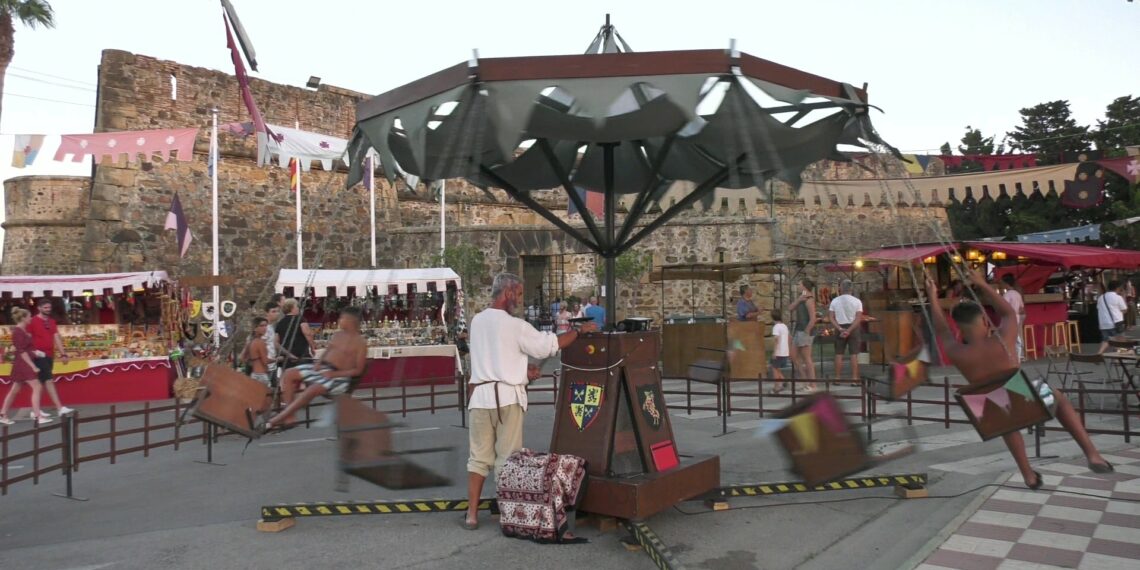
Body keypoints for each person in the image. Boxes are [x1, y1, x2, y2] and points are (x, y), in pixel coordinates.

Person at [925, 269, 1112, 489]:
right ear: (985, 321)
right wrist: (983, 284)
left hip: (994, 412)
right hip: (1025, 399)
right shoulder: (1002, 339)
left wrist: (932, 296)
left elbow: (941, 330)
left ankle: (1028, 475)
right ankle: (1092, 454)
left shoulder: (957, 351)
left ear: (959, 329)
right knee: (1058, 397)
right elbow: (1008, 314)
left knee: (1008, 421)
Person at [463, 273, 596, 531]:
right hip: (507, 399)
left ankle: (471, 515)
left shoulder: (477, 321)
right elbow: (549, 346)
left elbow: (495, 359)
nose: (520, 300)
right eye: (520, 294)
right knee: (507, 459)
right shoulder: (515, 325)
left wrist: (524, 372)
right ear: (509, 292)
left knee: (478, 458)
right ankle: (508, 514)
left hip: (480, 397)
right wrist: (578, 331)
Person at [263, 307, 368, 430]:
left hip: (339, 378)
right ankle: (290, 417)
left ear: (352, 320)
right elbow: (328, 351)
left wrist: (333, 374)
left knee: (312, 389)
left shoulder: (360, 342)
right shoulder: (338, 335)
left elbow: (358, 370)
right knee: (289, 373)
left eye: (343, 318)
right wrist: (319, 363)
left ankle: (274, 421)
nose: (340, 320)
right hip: (324, 369)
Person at [0, 308, 51, 425]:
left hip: (22, 362)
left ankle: (3, 413)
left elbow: (27, 349)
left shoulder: (22, 330)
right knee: (37, 386)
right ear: (23, 318)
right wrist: (33, 366)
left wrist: (36, 352)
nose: (31, 318)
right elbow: (21, 351)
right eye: (29, 316)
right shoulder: (18, 331)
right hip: (23, 363)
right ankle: (37, 415)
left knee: (15, 390)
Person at [29, 298, 73, 418]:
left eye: (49, 308)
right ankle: (59, 408)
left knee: (41, 382)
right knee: (48, 380)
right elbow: (27, 338)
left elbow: (56, 337)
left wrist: (63, 354)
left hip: (49, 355)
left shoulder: (52, 322)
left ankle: (35, 410)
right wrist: (32, 351)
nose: (48, 310)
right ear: (39, 308)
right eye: (45, 308)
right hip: (38, 355)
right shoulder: (32, 321)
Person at [828, 279, 864, 384]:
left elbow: (831, 317)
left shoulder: (835, 301)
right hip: (853, 327)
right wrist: (849, 330)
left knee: (839, 353)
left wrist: (839, 329)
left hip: (840, 326)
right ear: (851, 289)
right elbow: (858, 318)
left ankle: (837, 378)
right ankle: (854, 379)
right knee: (854, 354)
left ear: (841, 288)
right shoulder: (857, 301)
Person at [787, 279, 818, 393]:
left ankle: (813, 384)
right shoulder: (801, 298)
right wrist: (799, 299)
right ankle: (805, 381)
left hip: (805, 331)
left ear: (804, 286)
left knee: (807, 358)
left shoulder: (809, 300)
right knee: (793, 356)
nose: (798, 286)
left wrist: (807, 331)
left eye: (799, 284)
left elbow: (813, 318)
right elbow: (790, 308)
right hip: (798, 330)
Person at [275, 299, 316, 370]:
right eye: (297, 306)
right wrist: (312, 347)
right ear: (292, 308)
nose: (298, 308)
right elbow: (308, 334)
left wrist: (286, 353)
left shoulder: (280, 323)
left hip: (287, 358)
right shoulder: (300, 319)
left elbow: (276, 342)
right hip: (301, 355)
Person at [1000, 274, 1027, 360]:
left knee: (1008, 337)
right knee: (1015, 337)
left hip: (1008, 318)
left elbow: (1003, 307)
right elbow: (1021, 308)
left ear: (1005, 283)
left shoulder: (1007, 295)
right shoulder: (1017, 294)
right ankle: (1018, 356)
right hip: (1016, 318)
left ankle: (1010, 356)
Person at [1097, 280, 1128, 353]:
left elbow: (1098, 308)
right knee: (1120, 341)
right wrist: (1123, 296)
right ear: (1117, 288)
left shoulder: (1101, 297)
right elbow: (1124, 310)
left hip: (1103, 323)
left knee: (1106, 340)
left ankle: (1099, 353)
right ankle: (1118, 359)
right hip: (1116, 323)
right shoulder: (1118, 297)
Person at [768, 309, 790, 394]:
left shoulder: (776, 327)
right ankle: (784, 381)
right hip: (785, 351)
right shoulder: (784, 326)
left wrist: (774, 352)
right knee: (777, 368)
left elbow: (777, 340)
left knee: (774, 369)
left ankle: (777, 387)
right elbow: (788, 338)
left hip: (779, 352)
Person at [247, 317, 271, 386]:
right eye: (261, 326)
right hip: (261, 376)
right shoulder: (260, 342)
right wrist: (277, 359)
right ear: (255, 328)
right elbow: (265, 361)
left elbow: (243, 357)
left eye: (266, 325)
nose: (264, 328)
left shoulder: (251, 342)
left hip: (254, 374)